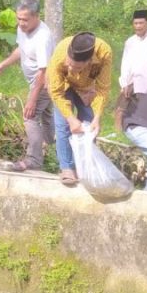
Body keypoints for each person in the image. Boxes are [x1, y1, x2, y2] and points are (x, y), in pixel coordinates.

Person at [0, 0, 56, 172]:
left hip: (44, 82)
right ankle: (53, 150)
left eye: (25, 19)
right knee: (47, 115)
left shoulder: (43, 37)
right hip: (37, 81)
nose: (21, 23)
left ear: (36, 17)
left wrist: (32, 99)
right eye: (19, 18)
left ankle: (34, 159)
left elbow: (44, 72)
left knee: (30, 116)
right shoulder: (23, 29)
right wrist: (2, 64)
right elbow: (21, 49)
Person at [47, 32, 113, 185]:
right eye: (68, 64)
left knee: (89, 125)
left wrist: (97, 117)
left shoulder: (104, 53)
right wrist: (71, 119)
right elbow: (56, 93)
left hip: (87, 86)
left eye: (75, 66)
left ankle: (85, 167)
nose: (70, 67)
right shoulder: (59, 55)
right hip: (64, 86)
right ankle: (67, 168)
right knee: (63, 124)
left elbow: (103, 89)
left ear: (89, 62)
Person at [116, 9, 147, 130]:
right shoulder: (130, 42)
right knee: (121, 109)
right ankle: (121, 131)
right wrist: (124, 82)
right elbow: (125, 63)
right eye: (135, 23)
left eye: (141, 23)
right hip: (132, 81)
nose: (138, 26)